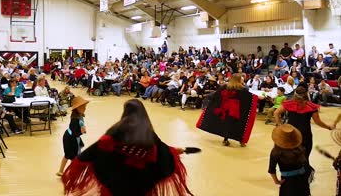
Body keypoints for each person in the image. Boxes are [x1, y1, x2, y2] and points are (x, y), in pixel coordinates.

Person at [61, 99, 193, 195]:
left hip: (117, 183)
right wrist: (174, 151)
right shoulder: (148, 132)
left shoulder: (117, 130)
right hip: (141, 184)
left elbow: (97, 148)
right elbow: (161, 149)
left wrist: (79, 162)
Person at [274, 86, 333, 166]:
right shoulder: (311, 107)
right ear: (306, 94)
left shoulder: (289, 104)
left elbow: (276, 113)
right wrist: (328, 127)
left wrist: (280, 126)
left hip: (290, 134)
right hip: (305, 135)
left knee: (289, 158)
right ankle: (303, 176)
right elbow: (318, 122)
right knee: (304, 159)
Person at [196, 74, 258, 147]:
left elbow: (216, 95)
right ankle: (241, 141)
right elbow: (248, 98)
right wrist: (256, 98)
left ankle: (226, 139)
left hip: (225, 109)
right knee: (238, 124)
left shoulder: (225, 86)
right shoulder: (242, 89)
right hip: (235, 110)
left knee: (226, 124)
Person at [268, 124, 310, 196]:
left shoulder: (276, 152)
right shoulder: (300, 149)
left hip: (287, 181)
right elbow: (305, 163)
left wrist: (277, 181)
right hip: (302, 179)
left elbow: (271, 170)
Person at [57, 96, 89, 176]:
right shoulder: (75, 119)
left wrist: (82, 130)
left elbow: (79, 128)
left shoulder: (79, 116)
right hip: (70, 138)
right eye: (83, 107)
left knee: (71, 156)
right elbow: (76, 132)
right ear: (77, 108)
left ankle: (67, 172)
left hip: (72, 137)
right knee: (70, 155)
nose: (85, 108)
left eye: (85, 106)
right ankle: (63, 172)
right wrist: (82, 132)